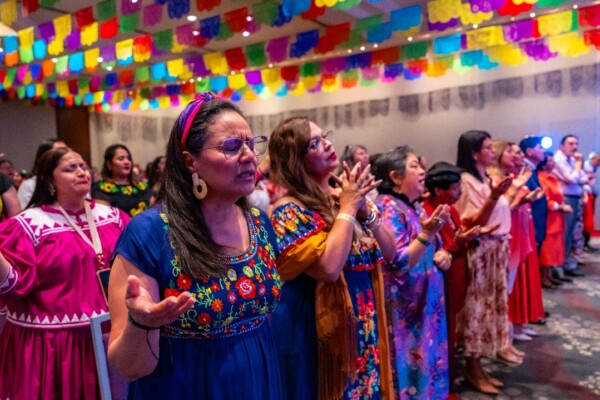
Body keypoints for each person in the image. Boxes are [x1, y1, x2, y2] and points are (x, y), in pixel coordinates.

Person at [107, 93, 283, 399]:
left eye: (251, 144)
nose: (249, 156)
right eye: (231, 146)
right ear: (191, 161)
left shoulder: (260, 222)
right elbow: (128, 367)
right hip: (185, 386)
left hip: (259, 379)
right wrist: (142, 323)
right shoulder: (150, 232)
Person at [268, 117, 395, 400]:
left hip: (363, 322)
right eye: (314, 143)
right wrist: (349, 209)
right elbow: (328, 267)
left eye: (325, 137)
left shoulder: (346, 197)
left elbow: (391, 252)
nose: (326, 145)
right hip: (317, 331)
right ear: (295, 160)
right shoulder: (288, 210)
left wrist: (366, 214)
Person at [0, 147, 129, 399]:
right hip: (51, 347)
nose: (81, 172)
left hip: (108, 338)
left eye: (83, 166)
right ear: (49, 180)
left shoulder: (113, 218)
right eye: (70, 168)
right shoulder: (29, 225)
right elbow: (12, 286)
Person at [374, 146, 452, 399]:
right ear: (395, 177)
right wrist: (428, 234)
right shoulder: (388, 208)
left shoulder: (416, 207)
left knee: (427, 365)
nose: (422, 171)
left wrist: (444, 255)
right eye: (414, 166)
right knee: (409, 370)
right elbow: (397, 262)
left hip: (425, 306)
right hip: (406, 310)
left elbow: (431, 250)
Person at [455, 130, 513, 395]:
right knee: (476, 310)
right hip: (480, 252)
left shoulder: (486, 177)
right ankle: (472, 366)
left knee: (490, 307)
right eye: (488, 148)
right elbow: (473, 221)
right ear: (474, 153)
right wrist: (493, 196)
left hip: (496, 250)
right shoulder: (465, 181)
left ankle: (479, 365)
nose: (493, 152)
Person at [423, 161, 482, 396]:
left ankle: (451, 380)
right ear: (439, 189)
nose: (459, 192)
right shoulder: (427, 211)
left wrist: (467, 238)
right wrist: (457, 242)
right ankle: (444, 386)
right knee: (442, 334)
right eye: (456, 187)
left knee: (451, 330)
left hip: (456, 276)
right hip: (441, 281)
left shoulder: (452, 209)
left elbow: (456, 241)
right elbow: (434, 254)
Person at [553, 135, 587, 278]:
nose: (575, 147)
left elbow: (585, 179)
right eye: (571, 143)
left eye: (576, 143)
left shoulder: (571, 160)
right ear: (562, 146)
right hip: (565, 199)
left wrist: (576, 175)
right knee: (564, 234)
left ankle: (566, 263)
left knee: (573, 235)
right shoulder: (558, 159)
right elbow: (572, 179)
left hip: (576, 198)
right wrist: (579, 165)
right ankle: (558, 267)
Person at [538, 152, 573, 286]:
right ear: (544, 163)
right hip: (549, 217)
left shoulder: (552, 177)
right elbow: (545, 200)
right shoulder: (542, 178)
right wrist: (560, 206)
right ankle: (543, 276)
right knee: (547, 248)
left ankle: (549, 274)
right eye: (551, 160)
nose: (554, 163)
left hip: (557, 217)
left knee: (554, 248)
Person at [92, 144, 151, 217]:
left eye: (129, 158)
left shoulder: (142, 186)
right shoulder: (100, 188)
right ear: (109, 164)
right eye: (121, 158)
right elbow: (103, 218)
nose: (127, 162)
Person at [18, 138, 67, 208]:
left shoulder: (75, 182)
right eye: (60, 151)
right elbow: (24, 213)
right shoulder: (30, 185)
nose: (66, 155)